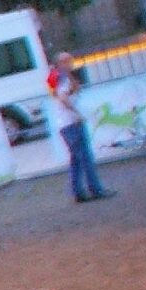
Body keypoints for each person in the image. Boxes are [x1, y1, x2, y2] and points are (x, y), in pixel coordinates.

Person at [45, 49, 112, 203]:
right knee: (85, 158)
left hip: (64, 124)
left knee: (76, 160)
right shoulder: (62, 79)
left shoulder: (56, 78)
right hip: (71, 123)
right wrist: (77, 113)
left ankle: (78, 192)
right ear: (62, 63)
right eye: (68, 61)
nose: (71, 63)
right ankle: (95, 189)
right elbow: (63, 98)